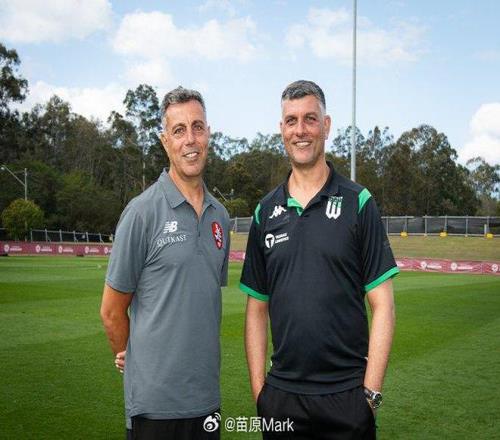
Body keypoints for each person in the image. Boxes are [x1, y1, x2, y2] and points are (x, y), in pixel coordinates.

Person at [240, 80, 398, 439]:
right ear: (282, 129)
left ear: (326, 126)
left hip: (347, 397)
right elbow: (256, 309)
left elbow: (384, 305)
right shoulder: (265, 211)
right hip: (281, 398)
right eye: (291, 120)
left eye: (310, 119)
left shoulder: (359, 202)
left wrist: (369, 397)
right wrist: (261, 394)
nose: (300, 130)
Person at [100, 86, 230, 440]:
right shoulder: (141, 212)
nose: (190, 140)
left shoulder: (221, 216)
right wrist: (133, 358)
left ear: (208, 133)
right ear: (165, 141)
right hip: (154, 408)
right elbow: (111, 311)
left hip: (206, 400)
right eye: (179, 130)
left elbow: (199, 299)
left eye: (197, 127)